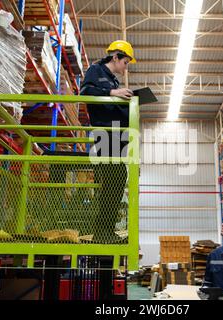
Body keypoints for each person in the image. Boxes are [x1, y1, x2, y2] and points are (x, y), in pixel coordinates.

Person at [79, 40, 136, 243]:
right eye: (126, 62)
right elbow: (85, 92)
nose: (125, 67)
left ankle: (105, 230)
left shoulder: (113, 81)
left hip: (116, 136)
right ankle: (102, 232)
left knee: (117, 182)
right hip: (104, 135)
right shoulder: (96, 70)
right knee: (113, 182)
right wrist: (112, 93)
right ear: (115, 57)